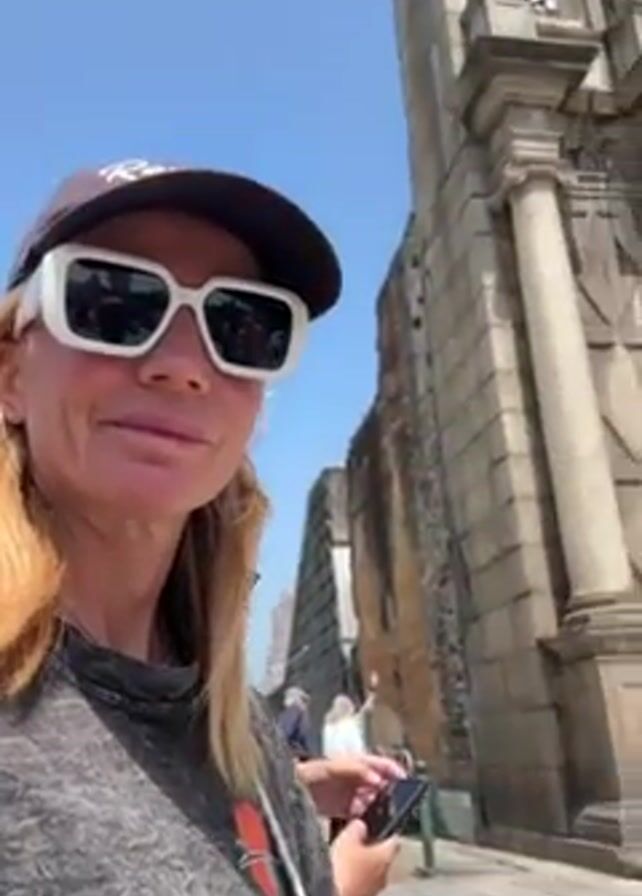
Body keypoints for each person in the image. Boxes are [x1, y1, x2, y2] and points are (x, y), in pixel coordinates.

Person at [0, 158, 400, 896]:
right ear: (11, 375)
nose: (185, 365)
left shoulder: (237, 732)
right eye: (114, 301)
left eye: (240, 325)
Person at [278, 685, 313, 760]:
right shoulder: (302, 712)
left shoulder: (295, 710)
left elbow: (285, 731)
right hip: (299, 750)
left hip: (291, 749)